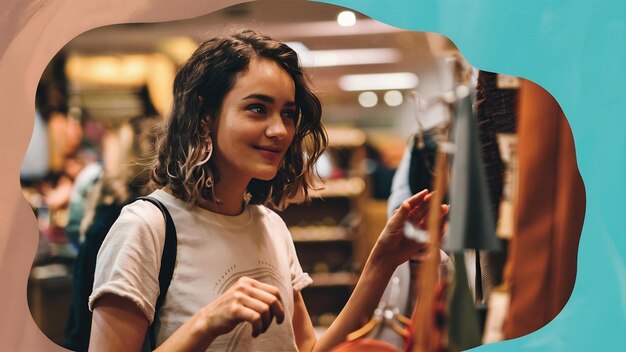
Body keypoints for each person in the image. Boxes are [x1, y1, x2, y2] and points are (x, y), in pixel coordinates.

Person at [88, 29, 447, 352]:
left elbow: (307, 349)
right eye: (257, 109)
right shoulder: (146, 228)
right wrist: (205, 323)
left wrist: (382, 262)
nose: (279, 130)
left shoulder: (270, 226)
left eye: (288, 114)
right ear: (205, 115)